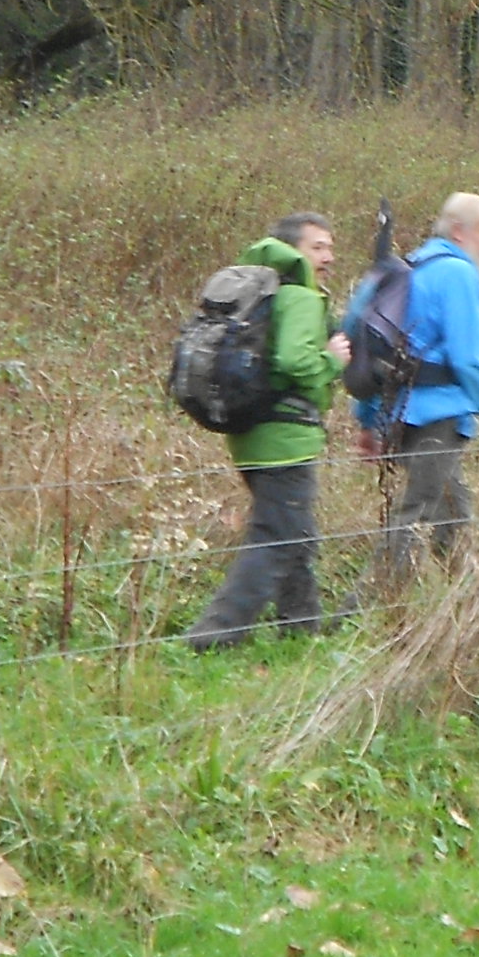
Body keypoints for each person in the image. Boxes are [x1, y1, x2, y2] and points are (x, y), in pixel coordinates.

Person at [188, 212, 353, 647]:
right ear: (293, 250)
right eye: (318, 247)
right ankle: (217, 634)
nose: (329, 257)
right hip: (285, 435)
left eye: (330, 247)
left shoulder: (261, 293)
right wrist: (333, 359)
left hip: (251, 433)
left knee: (295, 533)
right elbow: (295, 362)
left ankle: (301, 630)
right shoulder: (298, 295)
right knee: (277, 535)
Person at [373, 192, 479, 588]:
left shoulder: (411, 265)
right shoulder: (458, 273)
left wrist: (369, 420)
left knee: (455, 513)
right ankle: (365, 608)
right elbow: (468, 358)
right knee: (413, 515)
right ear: (458, 231)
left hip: (400, 412)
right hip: (438, 417)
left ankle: (459, 600)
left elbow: (372, 339)